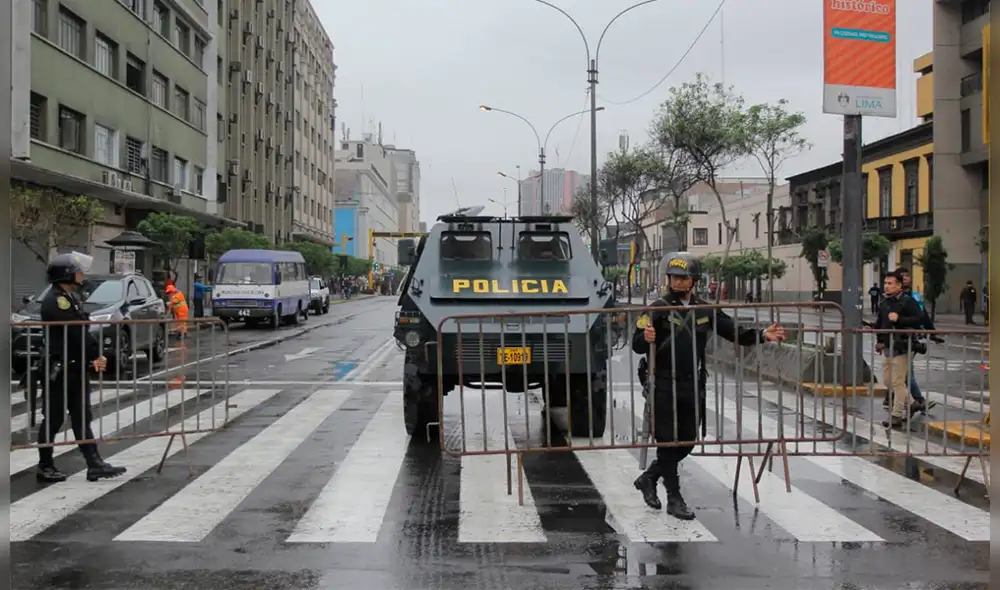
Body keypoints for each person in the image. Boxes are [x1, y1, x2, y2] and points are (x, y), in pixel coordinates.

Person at [631, 252, 785, 520]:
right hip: (663, 384)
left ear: (693, 281)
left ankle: (649, 477)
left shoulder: (705, 310)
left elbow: (733, 331)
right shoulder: (655, 308)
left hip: (693, 384)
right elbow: (636, 345)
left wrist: (762, 335)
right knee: (667, 442)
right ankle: (674, 497)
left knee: (688, 440)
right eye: (674, 277)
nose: (678, 282)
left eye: (683, 278)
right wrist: (646, 337)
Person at [36, 252, 128, 483]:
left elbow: (82, 329)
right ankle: (45, 465)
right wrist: (95, 354)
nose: (81, 274)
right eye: (77, 271)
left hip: (75, 367)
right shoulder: (57, 300)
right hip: (60, 369)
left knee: (81, 416)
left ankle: (94, 464)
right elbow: (77, 333)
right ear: (66, 275)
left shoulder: (70, 296)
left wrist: (93, 356)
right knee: (54, 418)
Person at [871, 270, 925, 429]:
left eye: (890, 284)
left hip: (903, 346)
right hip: (888, 346)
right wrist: (878, 339)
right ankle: (914, 403)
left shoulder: (908, 301)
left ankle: (896, 416)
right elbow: (881, 323)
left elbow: (919, 319)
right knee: (888, 381)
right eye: (885, 283)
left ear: (899, 285)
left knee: (898, 381)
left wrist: (899, 319)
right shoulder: (884, 302)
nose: (886, 287)